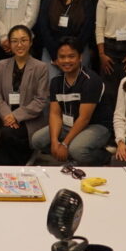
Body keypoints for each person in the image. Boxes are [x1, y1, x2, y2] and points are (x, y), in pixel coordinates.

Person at [30, 37, 111, 166]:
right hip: (69, 125)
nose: (66, 61)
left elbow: (84, 118)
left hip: (95, 126)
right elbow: (55, 114)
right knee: (37, 140)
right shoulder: (56, 81)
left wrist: (65, 143)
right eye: (62, 57)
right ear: (56, 60)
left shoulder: (90, 80)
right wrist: (55, 141)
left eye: (71, 56)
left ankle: (105, 157)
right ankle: (70, 156)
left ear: (80, 58)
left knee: (77, 150)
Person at [0, 25, 50, 165]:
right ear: (9, 44)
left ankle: (14, 162)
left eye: (23, 40)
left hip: (30, 120)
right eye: (14, 41)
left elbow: (40, 100)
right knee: (7, 133)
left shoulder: (40, 67)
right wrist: (8, 116)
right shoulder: (1, 65)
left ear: (30, 42)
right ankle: (17, 163)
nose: (19, 45)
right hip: (6, 118)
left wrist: (16, 116)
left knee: (7, 135)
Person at [37, 0, 97, 70]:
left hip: (79, 49)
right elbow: (43, 24)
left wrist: (74, 52)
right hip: (52, 49)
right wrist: (55, 54)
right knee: (52, 82)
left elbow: (87, 27)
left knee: (79, 84)